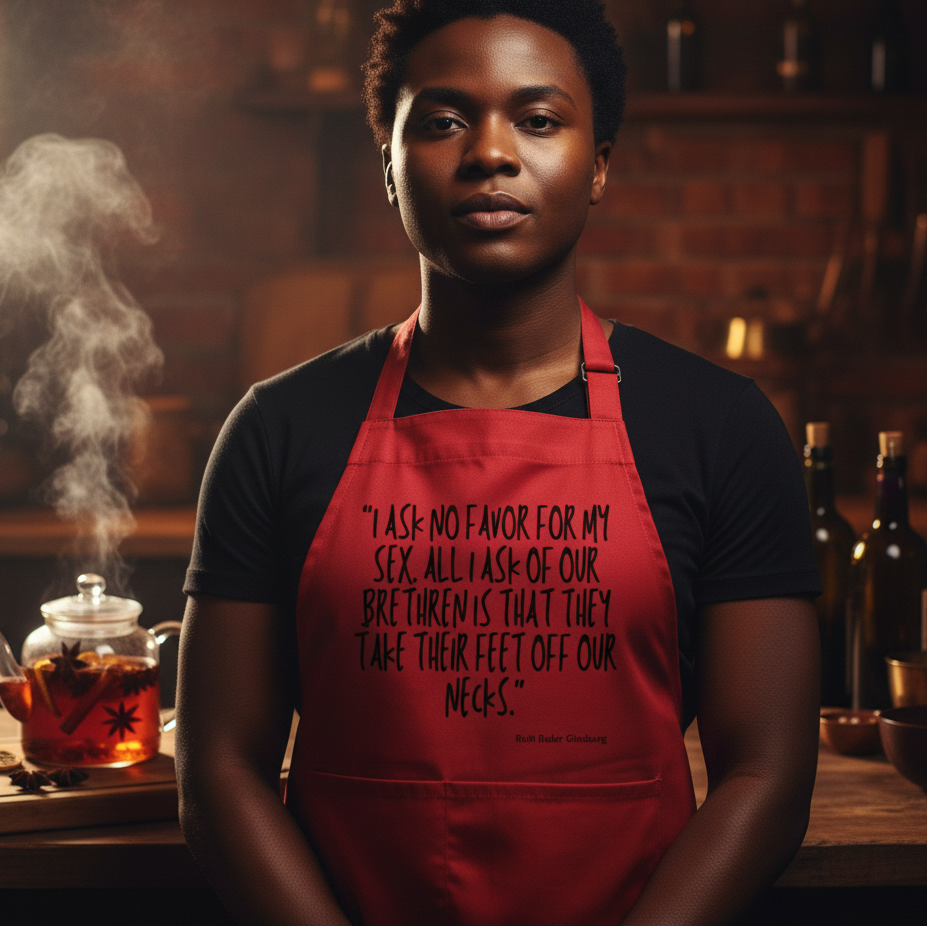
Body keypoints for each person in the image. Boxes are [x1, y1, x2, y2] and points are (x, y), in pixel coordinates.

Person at [176, 1, 822, 923]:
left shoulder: (719, 426)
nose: (488, 151)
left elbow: (765, 775)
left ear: (597, 165)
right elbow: (220, 770)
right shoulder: (278, 429)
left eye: (538, 118)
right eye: (440, 122)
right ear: (388, 166)